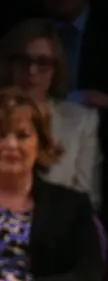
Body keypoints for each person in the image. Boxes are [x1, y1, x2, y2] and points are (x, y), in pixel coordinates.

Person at [0, 87, 104, 281]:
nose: (10, 144)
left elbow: (88, 278)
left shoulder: (70, 206)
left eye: (22, 135)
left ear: (41, 143)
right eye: (1, 135)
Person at [0, 18, 102, 207]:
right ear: (9, 64)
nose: (32, 71)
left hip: (58, 230)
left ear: (56, 69)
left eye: (43, 62)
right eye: (23, 60)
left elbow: (88, 200)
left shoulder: (80, 121)